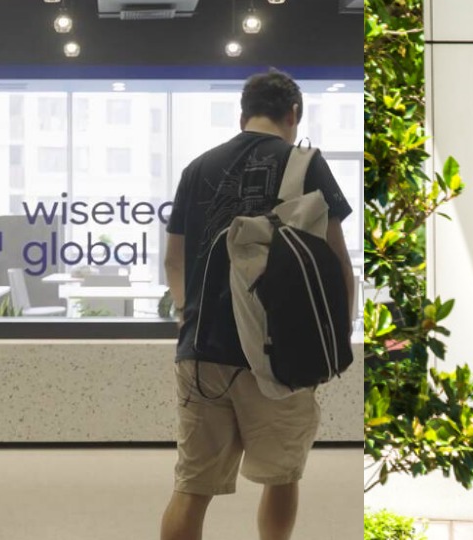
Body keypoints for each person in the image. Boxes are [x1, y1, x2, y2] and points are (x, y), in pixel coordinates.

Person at [159, 70, 354, 540]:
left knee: (192, 486)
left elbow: (173, 262)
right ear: (293, 114)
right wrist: (334, 340)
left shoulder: (198, 167)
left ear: (242, 114)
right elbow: (336, 263)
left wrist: (192, 317)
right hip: (280, 352)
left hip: (203, 351)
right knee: (281, 476)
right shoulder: (305, 164)